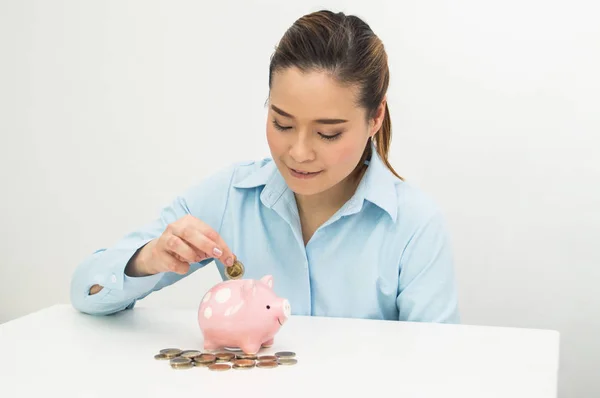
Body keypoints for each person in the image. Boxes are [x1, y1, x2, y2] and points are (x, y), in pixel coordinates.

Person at [70, 9, 460, 323]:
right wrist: (146, 259)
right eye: (282, 124)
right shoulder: (228, 196)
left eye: (328, 134)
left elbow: (437, 367)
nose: (299, 152)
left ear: (375, 117)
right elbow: (86, 293)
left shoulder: (414, 225)